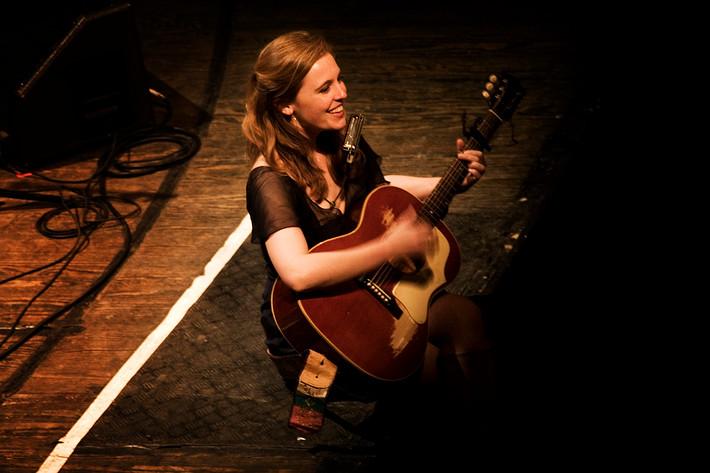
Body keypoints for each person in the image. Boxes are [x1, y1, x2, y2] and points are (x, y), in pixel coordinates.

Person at [243, 31, 496, 436]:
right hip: (320, 327)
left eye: (339, 79)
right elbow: (297, 272)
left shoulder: (342, 136)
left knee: (466, 316)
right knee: (433, 366)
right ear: (285, 105)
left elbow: (377, 192)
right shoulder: (270, 181)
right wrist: (388, 247)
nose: (342, 93)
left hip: (367, 291)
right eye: (325, 88)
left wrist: (443, 182)